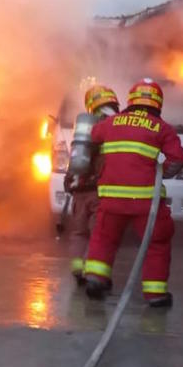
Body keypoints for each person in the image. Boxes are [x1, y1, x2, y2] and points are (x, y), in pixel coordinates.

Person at [83, 78, 183, 307]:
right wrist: (161, 172)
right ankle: (155, 294)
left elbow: (91, 136)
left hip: (112, 200)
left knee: (104, 238)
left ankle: (95, 281)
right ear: (158, 104)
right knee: (157, 241)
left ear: (131, 100)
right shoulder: (162, 128)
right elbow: (178, 158)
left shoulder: (111, 123)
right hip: (146, 202)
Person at [63, 84, 120, 286]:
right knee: (100, 234)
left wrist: (69, 181)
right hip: (100, 192)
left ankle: (78, 270)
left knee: (79, 232)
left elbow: (75, 160)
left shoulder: (84, 128)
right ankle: (97, 276)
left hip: (79, 191)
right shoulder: (116, 125)